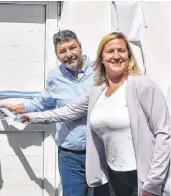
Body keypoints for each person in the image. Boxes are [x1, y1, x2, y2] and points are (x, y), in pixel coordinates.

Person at [20, 32, 170, 196]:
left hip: (138, 177)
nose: (116, 56)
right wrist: (33, 116)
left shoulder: (142, 85)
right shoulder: (98, 90)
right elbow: (71, 110)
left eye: (121, 50)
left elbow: (164, 133)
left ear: (129, 55)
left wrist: (153, 183)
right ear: (101, 58)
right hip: (111, 175)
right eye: (110, 52)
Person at [0, 30, 96, 196]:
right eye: (62, 51)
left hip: (99, 151)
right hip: (70, 154)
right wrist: (17, 108)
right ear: (56, 54)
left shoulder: (99, 71)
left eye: (72, 48)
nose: (69, 54)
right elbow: (43, 102)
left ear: (80, 46)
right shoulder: (55, 77)